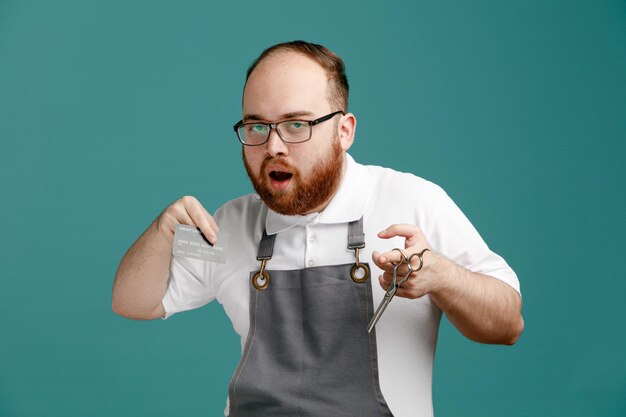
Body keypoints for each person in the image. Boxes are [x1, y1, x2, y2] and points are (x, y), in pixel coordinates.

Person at [112, 40, 523, 417]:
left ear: (343, 131)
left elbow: (508, 323)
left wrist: (443, 276)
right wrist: (162, 232)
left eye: (296, 125)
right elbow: (134, 302)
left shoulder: (413, 201)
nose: (273, 146)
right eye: (256, 127)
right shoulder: (230, 226)